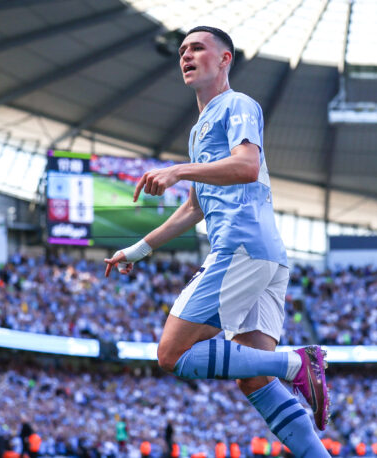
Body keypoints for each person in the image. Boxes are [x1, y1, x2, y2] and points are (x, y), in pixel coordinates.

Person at [104, 25, 330, 458]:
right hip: (265, 255)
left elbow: (246, 166)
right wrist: (138, 249)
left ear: (225, 59)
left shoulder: (237, 104)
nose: (186, 56)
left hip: (241, 248)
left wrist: (178, 169)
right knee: (255, 379)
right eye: (182, 51)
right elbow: (195, 208)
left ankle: (298, 362)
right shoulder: (199, 130)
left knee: (172, 354)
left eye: (198, 48)